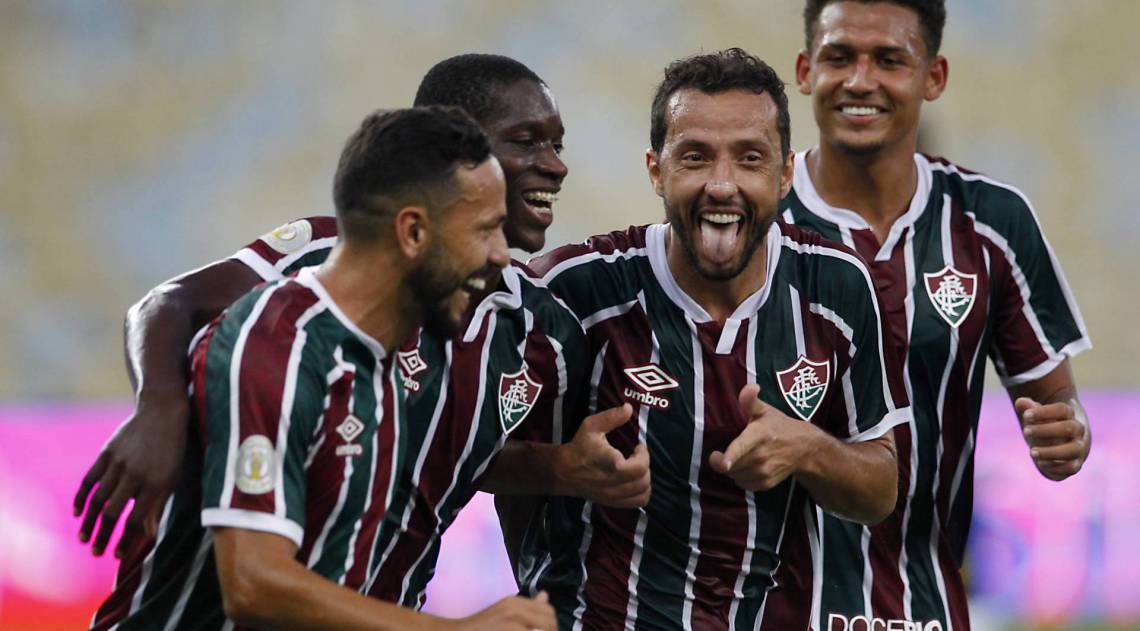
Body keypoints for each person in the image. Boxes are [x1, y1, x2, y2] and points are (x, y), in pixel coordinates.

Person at [76, 54, 648, 609]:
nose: (556, 164)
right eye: (526, 141)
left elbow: (441, 454)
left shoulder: (541, 334)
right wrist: (159, 409)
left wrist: (556, 469)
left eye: (557, 144)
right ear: (452, 146)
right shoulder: (314, 283)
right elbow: (172, 302)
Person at [504, 48, 911, 630]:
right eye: (695, 157)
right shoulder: (574, 291)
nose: (722, 185)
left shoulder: (837, 290)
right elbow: (464, 456)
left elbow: (879, 490)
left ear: (786, 172)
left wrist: (807, 449)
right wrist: (559, 468)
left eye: (750, 158)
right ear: (655, 169)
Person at [758, 2, 1092, 630]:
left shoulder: (992, 222)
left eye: (888, 59)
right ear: (805, 70)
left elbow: (1059, 409)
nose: (860, 80)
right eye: (839, 57)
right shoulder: (752, 219)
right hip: (766, 612)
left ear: (933, 77)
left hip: (925, 609)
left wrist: (1065, 436)